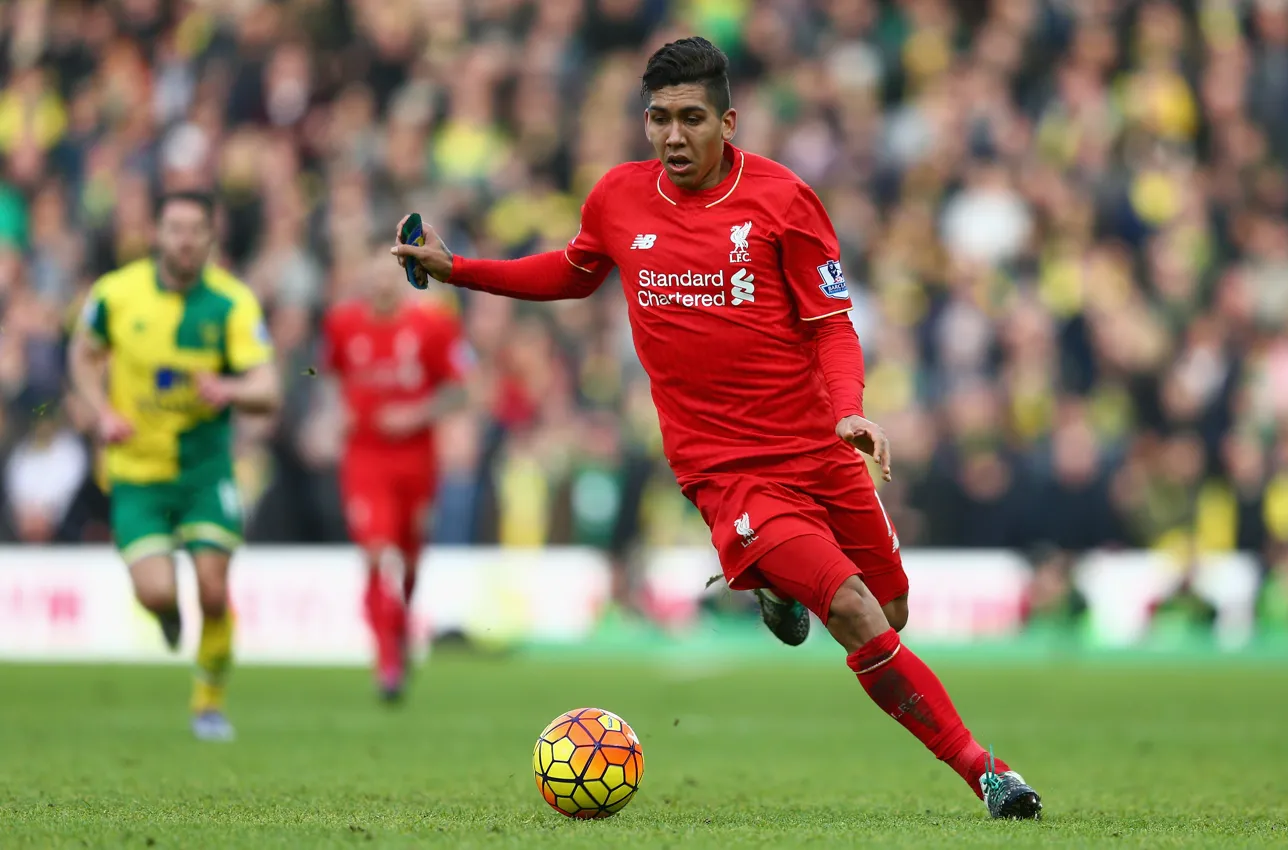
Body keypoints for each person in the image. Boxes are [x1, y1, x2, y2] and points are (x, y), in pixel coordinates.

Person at [391, 37, 1042, 819]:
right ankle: (988, 773)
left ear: (728, 121)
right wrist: (457, 268)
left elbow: (833, 323)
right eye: (658, 118)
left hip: (817, 447)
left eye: (691, 118)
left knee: (893, 610)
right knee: (856, 614)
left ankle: (772, 586)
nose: (672, 135)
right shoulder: (618, 200)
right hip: (726, 471)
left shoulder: (784, 200)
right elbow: (572, 269)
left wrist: (850, 408)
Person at [68, 190, 280, 741]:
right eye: (174, 228)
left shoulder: (233, 303)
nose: (184, 240)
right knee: (158, 592)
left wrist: (229, 387)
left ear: (211, 238)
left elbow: (269, 388)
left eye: (195, 230)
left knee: (213, 589)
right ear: (157, 234)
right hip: (136, 469)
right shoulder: (117, 293)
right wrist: (102, 411)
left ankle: (208, 702)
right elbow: (82, 354)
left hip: (205, 472)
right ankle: (167, 616)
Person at [322, 262, 469, 702]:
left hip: (417, 459)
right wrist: (335, 412)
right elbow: (331, 374)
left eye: (390, 276)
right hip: (364, 457)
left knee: (408, 558)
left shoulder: (433, 325)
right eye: (375, 277)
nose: (381, 285)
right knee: (376, 553)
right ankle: (387, 661)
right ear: (364, 282)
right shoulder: (341, 323)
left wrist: (416, 414)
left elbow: (460, 389)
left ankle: (400, 626)